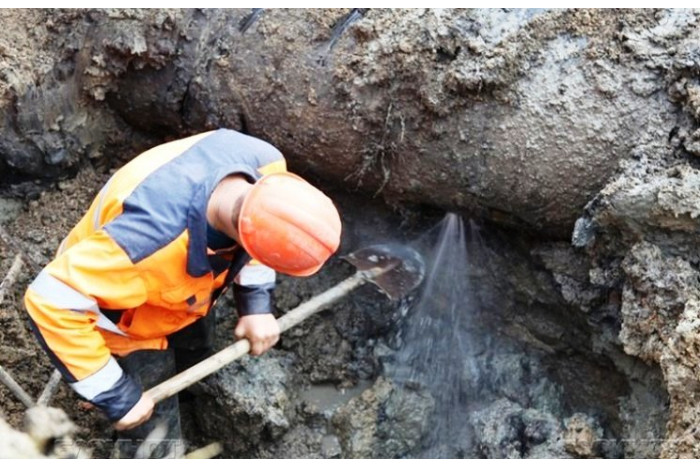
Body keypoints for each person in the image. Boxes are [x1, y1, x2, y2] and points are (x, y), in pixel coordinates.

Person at [23, 129, 342, 456]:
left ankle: (195, 399)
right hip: (122, 313)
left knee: (197, 350)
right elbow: (50, 301)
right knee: (153, 428)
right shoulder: (146, 244)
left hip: (189, 291)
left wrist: (255, 304)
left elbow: (263, 238)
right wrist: (116, 395)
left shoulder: (269, 168)